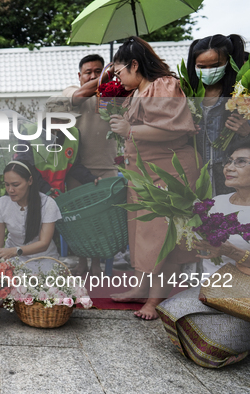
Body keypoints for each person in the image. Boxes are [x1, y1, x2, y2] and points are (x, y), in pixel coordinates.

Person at [108, 36, 201, 320]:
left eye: (120, 71)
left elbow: (176, 130)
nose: (118, 78)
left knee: (163, 237)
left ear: (134, 65)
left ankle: (154, 299)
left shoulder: (164, 86)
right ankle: (140, 289)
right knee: (141, 234)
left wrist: (129, 130)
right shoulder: (138, 91)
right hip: (143, 174)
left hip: (169, 173)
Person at [156, 140, 250, 368]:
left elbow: (226, 250)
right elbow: (199, 242)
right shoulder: (217, 203)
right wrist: (172, 210)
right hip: (212, 290)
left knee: (209, 351)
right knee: (170, 311)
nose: (229, 167)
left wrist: (233, 252)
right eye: (229, 161)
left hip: (244, 295)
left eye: (241, 162)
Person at [62, 54, 119, 277]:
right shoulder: (71, 90)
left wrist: (112, 86)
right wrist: (107, 75)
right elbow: (79, 95)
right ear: (79, 75)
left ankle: (97, 263)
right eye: (89, 72)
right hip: (76, 168)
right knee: (79, 219)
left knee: (102, 221)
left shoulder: (113, 95)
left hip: (107, 167)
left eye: (98, 71)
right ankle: (82, 261)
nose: (93, 75)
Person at [187, 34, 249, 196]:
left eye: (215, 65)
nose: (208, 72)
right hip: (196, 179)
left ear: (229, 63)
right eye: (201, 66)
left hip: (233, 184)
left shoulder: (242, 95)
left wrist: (247, 132)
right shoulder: (187, 95)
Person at [0, 160, 62, 273]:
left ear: (30, 180)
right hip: (13, 258)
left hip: (44, 258)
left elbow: (44, 244)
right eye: (7, 184)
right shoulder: (1, 204)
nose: (10, 190)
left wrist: (15, 251)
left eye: (16, 185)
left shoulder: (47, 203)